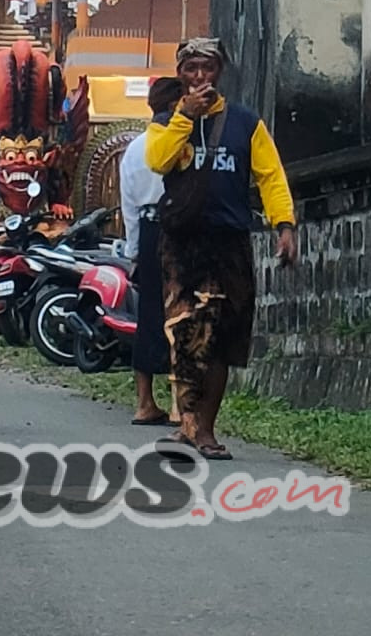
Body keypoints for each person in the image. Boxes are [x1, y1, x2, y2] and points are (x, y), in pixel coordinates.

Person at [144, 37, 298, 461]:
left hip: (228, 240)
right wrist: (183, 118)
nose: (199, 77)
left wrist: (283, 224)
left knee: (221, 338)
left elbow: (270, 177)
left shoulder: (246, 124)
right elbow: (157, 161)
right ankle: (189, 426)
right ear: (180, 73)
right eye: (191, 68)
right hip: (182, 241)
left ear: (220, 72)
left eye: (207, 68)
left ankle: (203, 427)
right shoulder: (165, 120)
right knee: (186, 331)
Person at [120, 78, 184, 428]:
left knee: (148, 317)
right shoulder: (182, 144)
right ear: (176, 105)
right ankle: (177, 403)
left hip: (146, 232)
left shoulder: (134, 149)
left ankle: (144, 402)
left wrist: (133, 251)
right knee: (180, 311)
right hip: (177, 229)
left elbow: (128, 207)